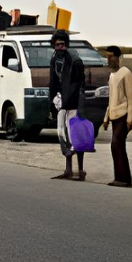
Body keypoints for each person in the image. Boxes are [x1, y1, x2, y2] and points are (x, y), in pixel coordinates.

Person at [49, 30, 87, 181]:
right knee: (62, 135)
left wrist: (78, 105)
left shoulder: (74, 60)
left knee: (76, 135)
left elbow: (79, 84)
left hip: (74, 103)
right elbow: (53, 82)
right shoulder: (54, 60)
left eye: (62, 44)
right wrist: (53, 101)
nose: (60, 47)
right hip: (61, 103)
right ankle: (68, 169)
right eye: (57, 45)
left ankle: (81, 170)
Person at [100, 46, 132, 187]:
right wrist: (106, 117)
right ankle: (121, 177)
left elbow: (131, 99)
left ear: (118, 57)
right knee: (116, 146)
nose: (109, 59)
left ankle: (124, 179)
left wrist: (130, 119)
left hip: (123, 114)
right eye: (107, 56)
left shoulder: (125, 73)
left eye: (111, 56)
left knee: (116, 145)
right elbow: (111, 99)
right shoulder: (112, 75)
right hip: (113, 115)